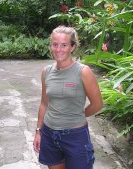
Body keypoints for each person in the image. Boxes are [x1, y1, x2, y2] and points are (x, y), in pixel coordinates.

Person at [33, 25, 103, 169]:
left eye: (64, 45)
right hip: (49, 134)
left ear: (72, 47)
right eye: (55, 44)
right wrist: (38, 131)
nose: (58, 49)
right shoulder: (46, 72)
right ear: (51, 46)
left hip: (75, 137)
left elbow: (97, 104)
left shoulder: (83, 72)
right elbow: (44, 104)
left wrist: (79, 114)